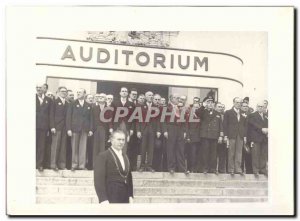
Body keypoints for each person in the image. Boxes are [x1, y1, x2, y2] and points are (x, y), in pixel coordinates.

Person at [94, 130, 133, 204]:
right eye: (119, 139)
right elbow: (98, 180)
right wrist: (103, 199)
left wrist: (130, 195)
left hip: (125, 198)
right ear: (111, 140)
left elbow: (129, 178)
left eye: (123, 140)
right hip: (110, 197)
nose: (121, 142)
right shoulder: (103, 156)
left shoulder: (125, 157)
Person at [66, 88, 93, 171]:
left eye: (80, 92)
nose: (78, 93)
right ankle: (74, 165)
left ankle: (81, 165)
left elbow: (91, 118)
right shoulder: (72, 103)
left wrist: (91, 130)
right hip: (74, 129)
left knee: (83, 148)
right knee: (74, 147)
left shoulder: (88, 105)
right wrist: (69, 129)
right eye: (77, 92)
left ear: (84, 94)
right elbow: (68, 117)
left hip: (85, 129)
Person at [163, 94, 189, 174]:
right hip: (171, 128)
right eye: (175, 97)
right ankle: (171, 168)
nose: (177, 99)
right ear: (170, 99)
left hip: (180, 129)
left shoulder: (181, 108)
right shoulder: (167, 108)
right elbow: (163, 120)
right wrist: (165, 131)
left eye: (177, 97)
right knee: (171, 149)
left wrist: (185, 131)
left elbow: (184, 121)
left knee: (181, 149)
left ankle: (182, 168)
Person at [198, 97, 223, 174]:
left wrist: (220, 136)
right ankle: (205, 168)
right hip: (205, 135)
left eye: (212, 102)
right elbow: (197, 113)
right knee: (205, 153)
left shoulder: (217, 113)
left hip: (214, 136)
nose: (210, 104)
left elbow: (220, 125)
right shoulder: (203, 112)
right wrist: (203, 106)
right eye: (208, 102)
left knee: (214, 153)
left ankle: (213, 169)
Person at [223, 97, 247, 176]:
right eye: (237, 102)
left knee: (239, 153)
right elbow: (225, 125)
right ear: (233, 103)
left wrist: (244, 136)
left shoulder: (243, 113)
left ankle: (238, 169)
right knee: (231, 152)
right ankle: (231, 169)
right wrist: (225, 135)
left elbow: (245, 125)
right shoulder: (228, 112)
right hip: (231, 135)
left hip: (240, 135)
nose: (238, 104)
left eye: (240, 102)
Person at [137, 91, 160, 172]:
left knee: (151, 148)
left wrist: (158, 130)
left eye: (152, 95)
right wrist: (138, 130)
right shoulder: (141, 106)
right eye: (149, 95)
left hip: (152, 128)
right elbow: (138, 119)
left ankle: (150, 165)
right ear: (146, 97)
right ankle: (142, 166)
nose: (151, 96)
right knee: (143, 147)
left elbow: (157, 120)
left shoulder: (155, 107)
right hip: (143, 128)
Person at [49, 86, 69, 171]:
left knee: (63, 147)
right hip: (57, 127)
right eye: (62, 91)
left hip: (65, 127)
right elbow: (51, 115)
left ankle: (62, 164)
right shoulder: (54, 102)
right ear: (58, 92)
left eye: (65, 91)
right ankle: (53, 164)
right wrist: (52, 126)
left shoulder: (67, 103)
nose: (64, 92)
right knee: (55, 146)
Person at [111, 87, 135, 154]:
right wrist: (111, 127)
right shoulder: (114, 103)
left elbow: (133, 118)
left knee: (124, 143)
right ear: (120, 93)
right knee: (116, 142)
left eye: (125, 91)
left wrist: (132, 129)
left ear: (127, 93)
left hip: (126, 126)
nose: (124, 92)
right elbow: (111, 116)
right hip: (117, 125)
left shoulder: (131, 104)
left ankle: (123, 160)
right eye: (123, 91)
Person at [247, 101, 268, 177]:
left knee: (263, 155)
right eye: (259, 106)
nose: (260, 108)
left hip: (264, 138)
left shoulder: (266, 116)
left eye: (262, 106)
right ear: (256, 107)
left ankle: (262, 169)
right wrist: (262, 129)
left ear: (264, 108)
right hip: (255, 138)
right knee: (255, 154)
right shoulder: (252, 115)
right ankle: (255, 170)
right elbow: (253, 124)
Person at [36, 83, 52, 171]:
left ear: (44, 89)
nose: (39, 89)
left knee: (41, 146)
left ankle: (39, 164)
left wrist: (49, 127)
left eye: (40, 87)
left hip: (43, 126)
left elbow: (50, 114)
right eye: (37, 87)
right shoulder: (32, 97)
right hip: (34, 125)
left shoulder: (48, 100)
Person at [240, 101, 253, 174]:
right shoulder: (238, 114)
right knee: (240, 154)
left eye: (246, 106)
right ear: (241, 107)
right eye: (244, 106)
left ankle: (249, 170)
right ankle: (240, 169)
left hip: (249, 137)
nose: (245, 107)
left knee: (248, 153)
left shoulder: (250, 115)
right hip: (241, 137)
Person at [215, 102, 227, 174]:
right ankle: (214, 169)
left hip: (224, 138)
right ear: (215, 107)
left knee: (222, 154)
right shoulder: (213, 115)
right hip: (215, 137)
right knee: (214, 154)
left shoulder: (225, 116)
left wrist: (225, 136)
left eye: (222, 107)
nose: (221, 108)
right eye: (219, 107)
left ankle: (221, 170)